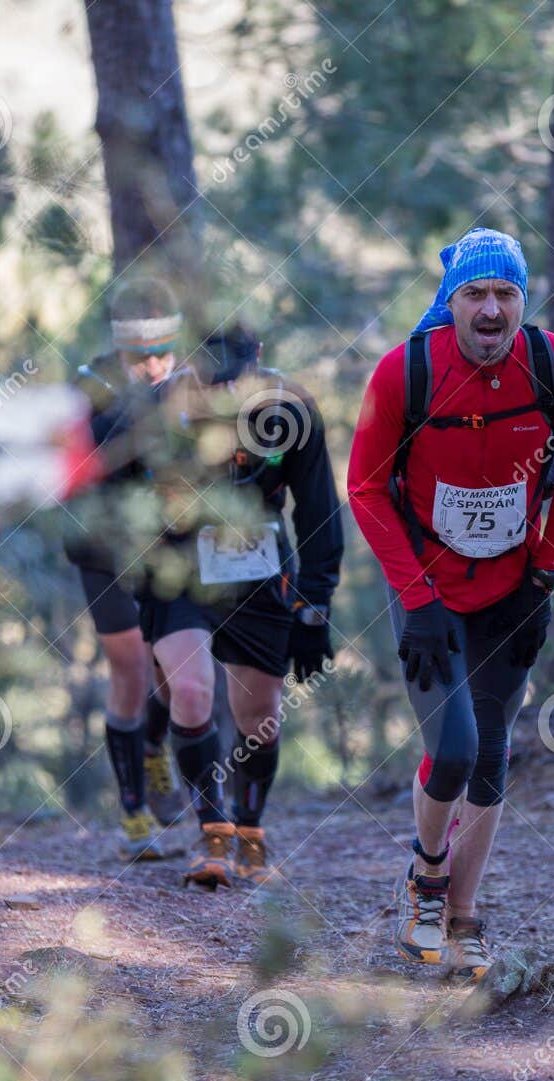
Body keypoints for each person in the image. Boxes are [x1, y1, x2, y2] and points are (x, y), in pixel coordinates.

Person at [347, 228, 554, 982]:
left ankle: (461, 917)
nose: (491, 309)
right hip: (428, 592)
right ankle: (427, 874)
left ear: (524, 299)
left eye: (506, 294)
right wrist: (415, 596)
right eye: (475, 294)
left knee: (491, 755)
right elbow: (364, 487)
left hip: (512, 589)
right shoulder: (405, 374)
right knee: (451, 748)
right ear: (450, 302)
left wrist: (546, 577)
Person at [138, 326, 343, 889]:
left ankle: (250, 832)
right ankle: (213, 831)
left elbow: (320, 507)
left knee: (259, 718)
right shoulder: (158, 405)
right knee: (192, 688)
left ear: (258, 360)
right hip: (179, 567)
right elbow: (121, 496)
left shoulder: (291, 407)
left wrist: (316, 602)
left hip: (260, 570)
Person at [65, 278, 185, 859]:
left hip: (164, 548)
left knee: (170, 667)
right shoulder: (92, 387)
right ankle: (133, 813)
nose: (159, 364)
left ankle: (155, 746)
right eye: (145, 356)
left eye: (168, 351)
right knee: (131, 667)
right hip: (102, 549)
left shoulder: (182, 384)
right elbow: (99, 455)